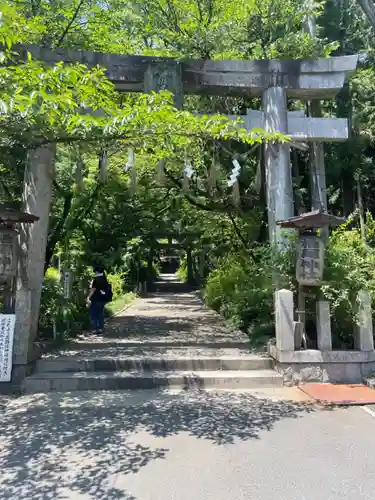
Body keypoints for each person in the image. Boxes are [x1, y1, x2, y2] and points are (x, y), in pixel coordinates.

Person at [86, 265, 110, 334]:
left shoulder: (96, 280)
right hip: (102, 300)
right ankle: (100, 328)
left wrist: (88, 297)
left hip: (95, 299)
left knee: (94, 314)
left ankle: (95, 329)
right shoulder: (104, 280)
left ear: (97, 272)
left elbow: (93, 289)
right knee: (100, 314)